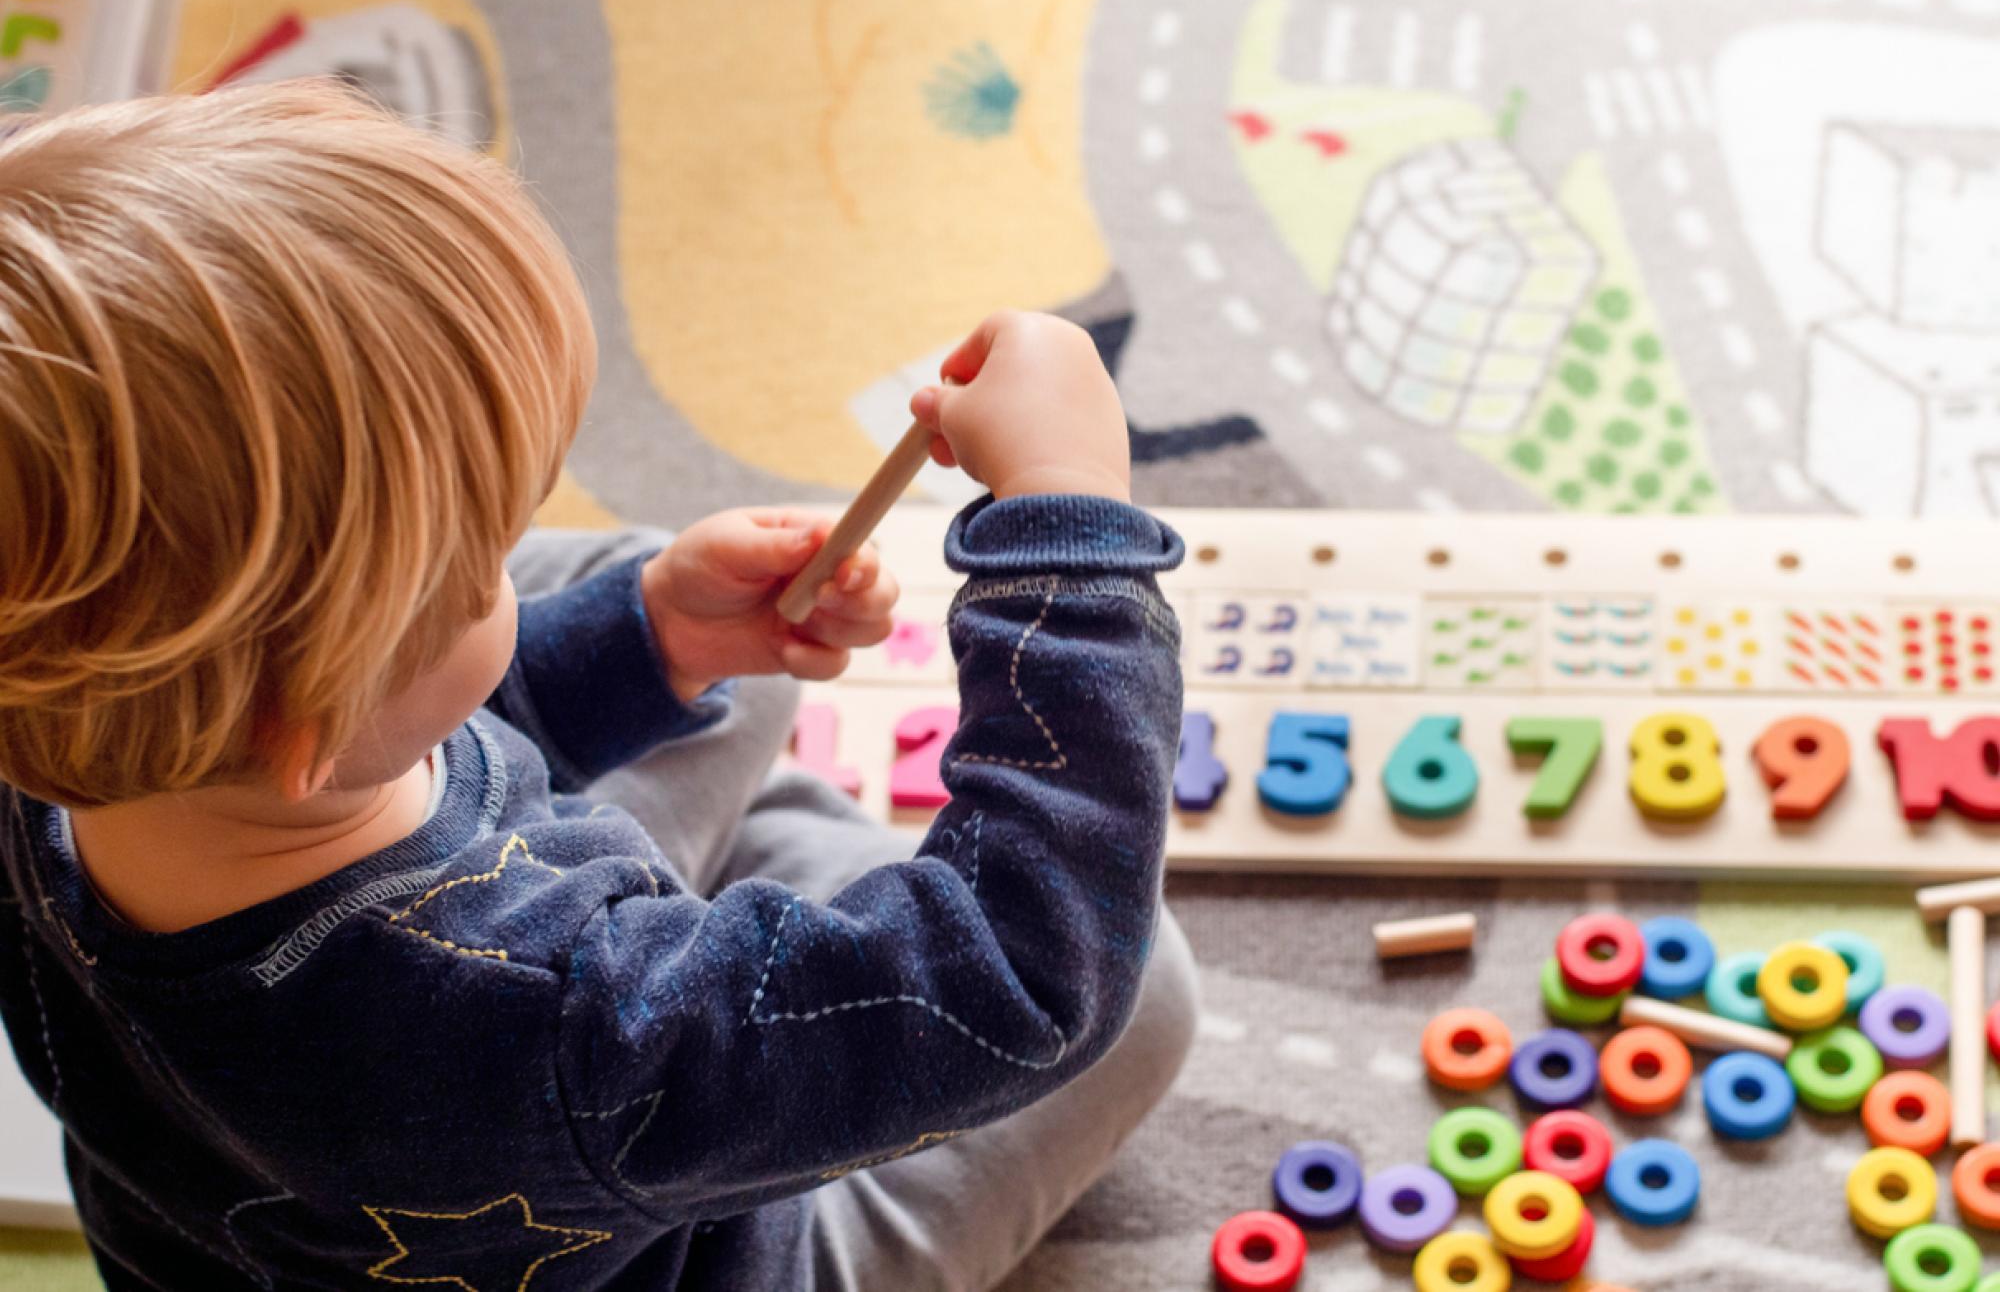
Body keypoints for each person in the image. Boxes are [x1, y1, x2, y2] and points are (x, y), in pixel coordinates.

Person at [0, 81, 1196, 1291]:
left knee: (675, 628)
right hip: (693, 1234)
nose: (502, 566)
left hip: (306, 1183)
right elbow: (1029, 970)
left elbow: (371, 741)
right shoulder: (571, 1028)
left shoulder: (54, 738)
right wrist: (1065, 528)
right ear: (306, 710)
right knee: (1144, 987)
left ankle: (685, 788)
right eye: (477, 566)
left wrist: (649, 643)